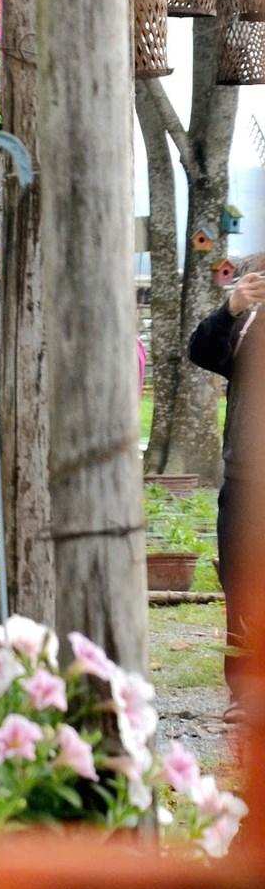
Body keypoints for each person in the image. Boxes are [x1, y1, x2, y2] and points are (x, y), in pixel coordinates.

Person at [189, 256, 262, 716]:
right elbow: (200, 351)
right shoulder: (246, 322)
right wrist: (230, 307)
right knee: (242, 583)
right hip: (245, 477)